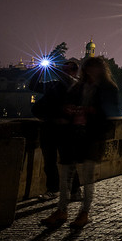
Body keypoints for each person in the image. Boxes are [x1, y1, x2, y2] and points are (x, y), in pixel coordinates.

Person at [41, 57, 117, 229]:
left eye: (94, 68)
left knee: (88, 177)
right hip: (72, 134)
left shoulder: (108, 88)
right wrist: (67, 111)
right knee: (65, 173)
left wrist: (92, 112)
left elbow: (110, 116)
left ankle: (84, 212)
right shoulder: (78, 86)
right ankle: (62, 210)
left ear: (101, 70)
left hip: (91, 137)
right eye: (88, 68)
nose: (90, 71)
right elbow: (67, 103)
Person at [30, 60, 81, 201]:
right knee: (49, 162)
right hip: (49, 127)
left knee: (68, 161)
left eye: (68, 68)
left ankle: (75, 190)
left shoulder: (76, 85)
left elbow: (68, 80)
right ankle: (53, 189)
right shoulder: (54, 85)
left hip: (66, 129)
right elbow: (32, 85)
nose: (64, 71)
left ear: (74, 71)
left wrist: (53, 68)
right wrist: (39, 70)